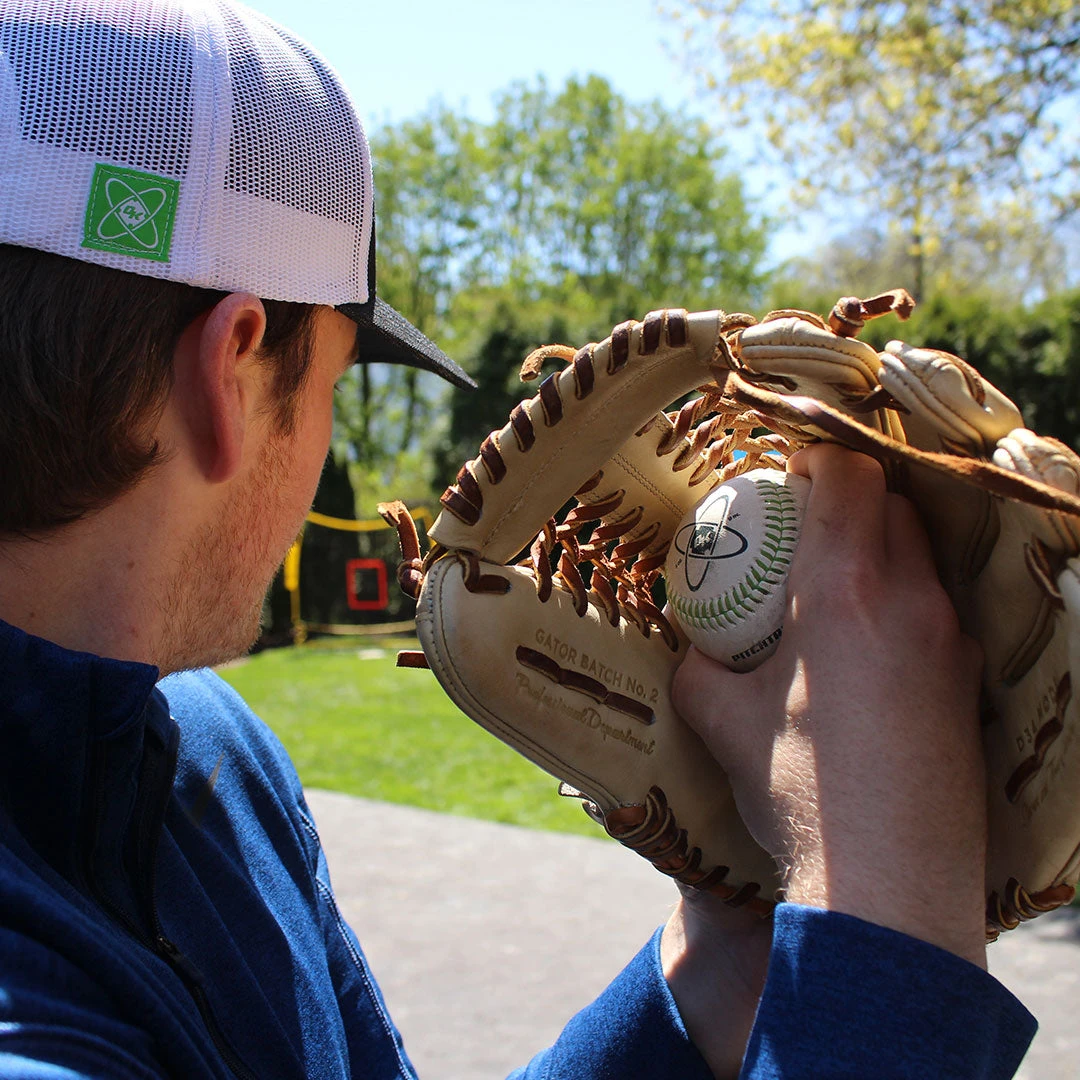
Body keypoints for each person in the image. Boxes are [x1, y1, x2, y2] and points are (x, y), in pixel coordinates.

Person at [0, 1, 1036, 1077]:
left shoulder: (206, 752)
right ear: (233, 369)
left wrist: (728, 955)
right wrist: (883, 898)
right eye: (338, 378)